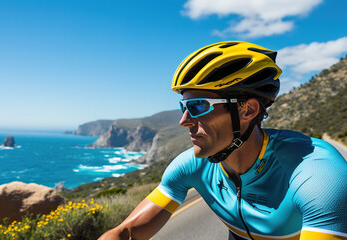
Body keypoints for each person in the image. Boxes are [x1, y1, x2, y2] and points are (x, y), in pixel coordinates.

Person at [98, 41, 347, 240]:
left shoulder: (318, 175)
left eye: (197, 106)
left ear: (248, 110)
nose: (183, 120)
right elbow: (126, 232)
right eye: (183, 106)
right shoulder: (192, 165)